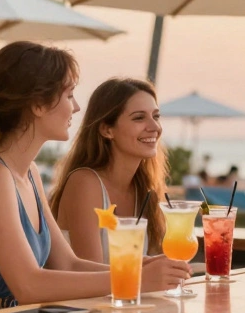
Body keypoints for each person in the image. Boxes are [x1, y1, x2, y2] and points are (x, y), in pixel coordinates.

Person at [0, 42, 191, 313]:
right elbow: (28, 286)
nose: (77, 107)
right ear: (38, 105)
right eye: (69, 95)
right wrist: (133, 279)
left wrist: (140, 267)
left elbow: (68, 264)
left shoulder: (28, 172)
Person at [50, 78, 168, 261]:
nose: (155, 127)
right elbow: (91, 272)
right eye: (139, 118)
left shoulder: (144, 190)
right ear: (107, 130)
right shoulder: (85, 183)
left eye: (156, 116)